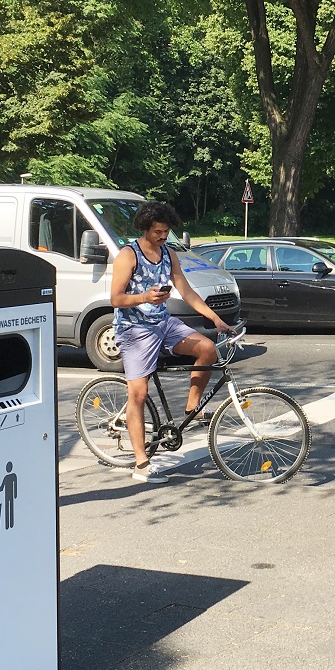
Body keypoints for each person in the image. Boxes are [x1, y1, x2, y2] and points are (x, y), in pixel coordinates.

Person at [110, 201, 231, 483]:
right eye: (158, 232)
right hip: (135, 329)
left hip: (163, 323)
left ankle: (192, 408)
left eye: (166, 231)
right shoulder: (128, 255)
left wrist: (216, 319)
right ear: (145, 229)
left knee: (207, 350)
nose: (163, 236)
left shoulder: (169, 254)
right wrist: (144, 297)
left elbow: (186, 291)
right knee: (138, 394)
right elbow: (115, 299)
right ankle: (141, 464)